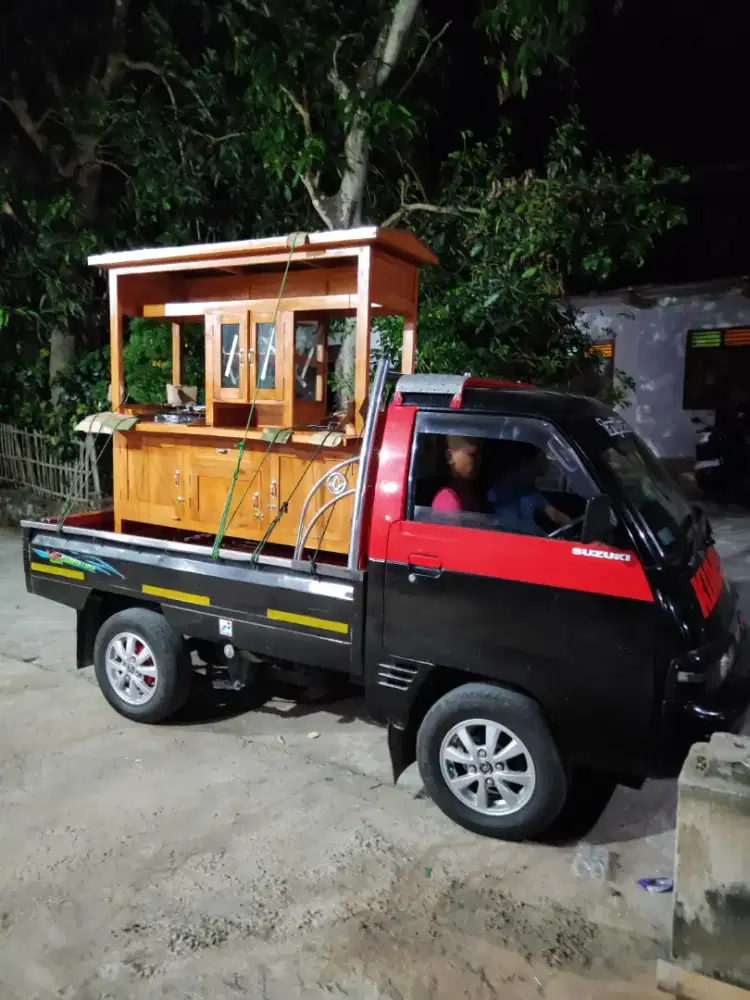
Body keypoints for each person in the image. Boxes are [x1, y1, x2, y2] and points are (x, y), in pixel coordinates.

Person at [488, 442, 571, 536]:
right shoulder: (508, 490)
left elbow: (554, 514)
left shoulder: (527, 488)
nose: (546, 460)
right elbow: (555, 515)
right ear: (527, 463)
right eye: (542, 455)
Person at [431, 436, 483, 513]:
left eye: (479, 454)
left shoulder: (473, 493)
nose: (478, 460)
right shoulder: (446, 501)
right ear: (450, 456)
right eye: (472, 455)